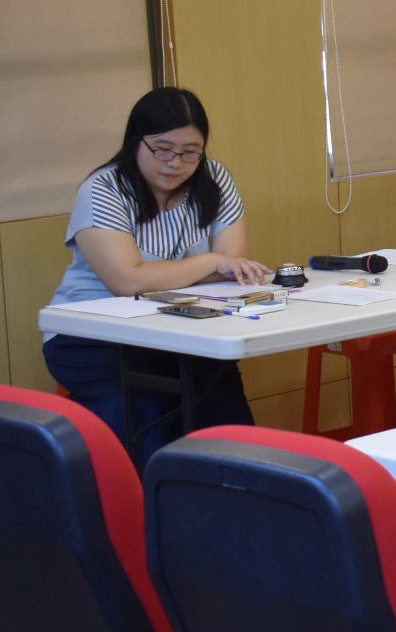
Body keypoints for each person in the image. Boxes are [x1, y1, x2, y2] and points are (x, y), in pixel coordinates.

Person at [43, 88, 267, 459]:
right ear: (136, 141)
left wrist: (197, 269)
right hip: (93, 336)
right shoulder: (104, 188)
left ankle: (231, 490)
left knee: (221, 396)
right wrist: (210, 263)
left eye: (190, 152)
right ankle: (147, 494)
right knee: (145, 410)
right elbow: (126, 282)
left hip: (180, 329)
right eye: (162, 149)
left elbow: (233, 266)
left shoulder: (214, 178)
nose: (175, 163)